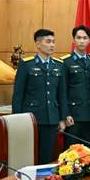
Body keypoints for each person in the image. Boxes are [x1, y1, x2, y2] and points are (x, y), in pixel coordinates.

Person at [12, 29, 68, 163]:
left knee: (47, 157)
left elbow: (61, 94)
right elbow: (18, 95)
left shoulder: (59, 65)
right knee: (29, 156)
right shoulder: (26, 64)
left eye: (53, 42)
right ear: (38, 44)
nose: (52, 45)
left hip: (51, 119)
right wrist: (18, 120)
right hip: (31, 118)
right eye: (48, 41)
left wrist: (62, 118)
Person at [61, 25, 90, 147]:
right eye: (79, 38)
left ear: (89, 40)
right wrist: (66, 114)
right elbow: (62, 91)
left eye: (85, 38)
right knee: (71, 151)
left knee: (87, 152)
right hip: (72, 116)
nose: (82, 41)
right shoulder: (65, 62)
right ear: (73, 40)